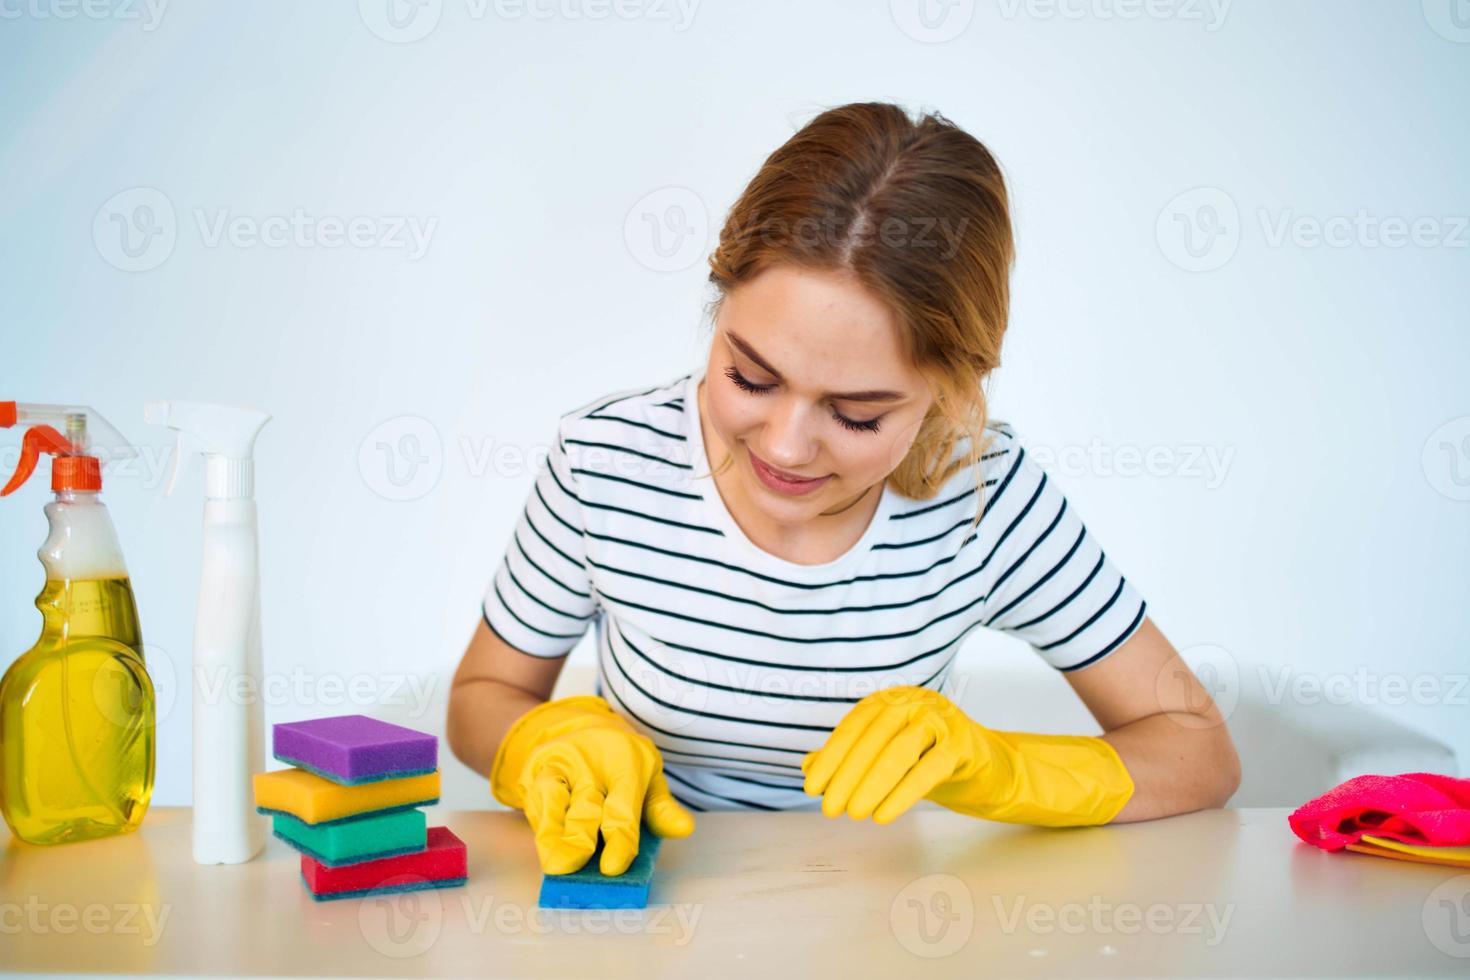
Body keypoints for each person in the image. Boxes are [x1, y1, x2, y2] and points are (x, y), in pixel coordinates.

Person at [447, 101, 1241, 877]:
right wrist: (543, 739)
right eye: (750, 377)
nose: (787, 446)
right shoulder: (606, 462)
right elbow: (484, 695)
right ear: (718, 306)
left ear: (953, 388)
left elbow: (1198, 751)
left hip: (882, 913)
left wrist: (1001, 769)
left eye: (858, 415)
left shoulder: (986, 498)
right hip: (653, 890)